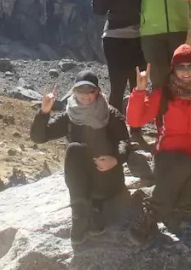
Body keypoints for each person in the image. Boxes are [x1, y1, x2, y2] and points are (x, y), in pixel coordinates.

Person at [125, 44, 191, 245]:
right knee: (181, 164)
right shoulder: (163, 93)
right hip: (167, 158)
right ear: (174, 69)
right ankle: (148, 217)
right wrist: (139, 90)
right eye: (181, 67)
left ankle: (156, 201)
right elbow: (135, 121)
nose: (187, 73)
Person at [30, 70, 129, 245]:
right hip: (83, 178)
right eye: (80, 90)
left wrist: (116, 160)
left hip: (108, 176)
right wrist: (44, 111)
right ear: (74, 92)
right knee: (74, 149)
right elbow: (39, 137)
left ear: (97, 92)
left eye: (90, 90)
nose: (85, 95)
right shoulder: (70, 115)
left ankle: (96, 207)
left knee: (92, 153)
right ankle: (79, 213)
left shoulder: (110, 113)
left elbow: (124, 141)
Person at [90, 0, 146, 120]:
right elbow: (99, 10)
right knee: (118, 85)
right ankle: (117, 128)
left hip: (139, 36)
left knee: (138, 85)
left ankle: (136, 126)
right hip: (115, 38)